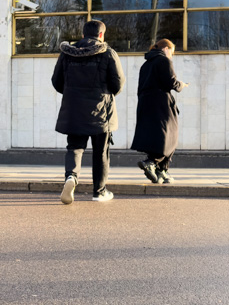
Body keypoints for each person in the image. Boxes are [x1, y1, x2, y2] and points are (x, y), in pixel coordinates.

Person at [52, 19, 125, 204]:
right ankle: (99, 192)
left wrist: (72, 93)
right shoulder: (108, 53)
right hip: (101, 112)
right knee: (101, 152)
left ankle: (71, 177)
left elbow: (56, 81)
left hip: (74, 110)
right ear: (101, 35)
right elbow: (118, 83)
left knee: (75, 147)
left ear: (83, 34)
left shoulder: (68, 53)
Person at [130, 39, 186, 184]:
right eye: (171, 53)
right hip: (161, 103)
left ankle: (161, 171)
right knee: (171, 135)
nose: (171, 56)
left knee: (158, 136)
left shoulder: (146, 64)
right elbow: (171, 82)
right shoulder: (164, 60)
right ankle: (152, 163)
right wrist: (182, 85)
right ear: (166, 49)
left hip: (146, 103)